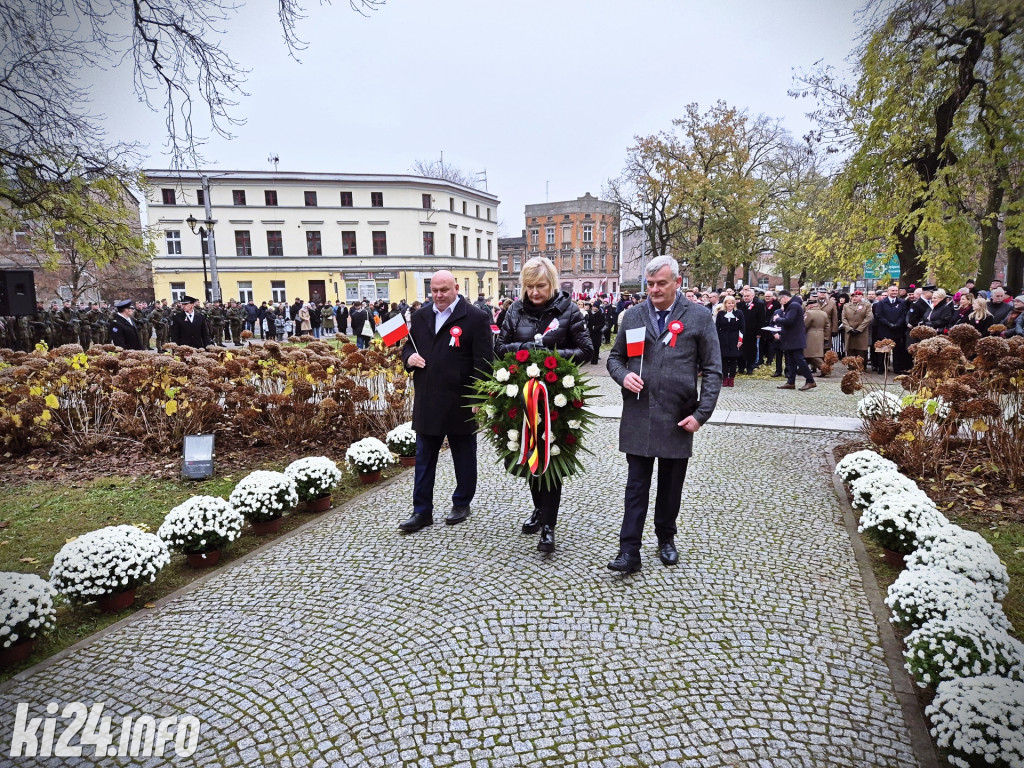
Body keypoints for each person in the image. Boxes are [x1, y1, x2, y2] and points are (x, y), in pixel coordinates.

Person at [606, 255, 722, 573]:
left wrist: (702, 413)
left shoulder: (698, 317)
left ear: (677, 283)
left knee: (671, 487)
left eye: (661, 283)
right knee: (636, 487)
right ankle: (629, 551)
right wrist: (622, 375)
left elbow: (713, 369)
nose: (655, 290)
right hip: (639, 413)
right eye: (651, 284)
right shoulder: (632, 316)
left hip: (677, 417)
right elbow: (614, 358)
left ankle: (666, 538)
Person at [495, 256, 591, 553]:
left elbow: (587, 350)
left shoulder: (568, 310)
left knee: (551, 460)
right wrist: (526, 350)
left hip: (556, 398)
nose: (535, 293)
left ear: (552, 283)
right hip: (520, 395)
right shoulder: (514, 309)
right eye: (530, 287)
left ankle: (549, 525)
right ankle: (539, 510)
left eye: (541, 286)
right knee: (528, 454)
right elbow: (498, 347)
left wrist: (553, 353)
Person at [398, 271, 495, 533]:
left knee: (463, 456)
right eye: (434, 291)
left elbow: (485, 361)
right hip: (428, 398)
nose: (439, 296)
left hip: (461, 400)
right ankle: (421, 511)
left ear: (455, 288)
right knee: (424, 458)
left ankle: (462, 502)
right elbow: (408, 347)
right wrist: (409, 359)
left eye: (444, 290)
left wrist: (478, 395)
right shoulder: (420, 316)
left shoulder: (475, 317)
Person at [773, 290, 816, 391]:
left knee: (799, 360)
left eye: (780, 300)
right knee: (791, 361)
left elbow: (789, 321)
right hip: (790, 339)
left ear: (784, 297)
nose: (780, 302)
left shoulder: (794, 305)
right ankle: (790, 382)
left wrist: (777, 319)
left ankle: (810, 380)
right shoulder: (791, 305)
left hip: (795, 339)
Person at [715, 295, 744, 387]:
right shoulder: (720, 314)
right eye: (729, 303)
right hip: (723, 339)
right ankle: (725, 378)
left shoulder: (739, 313)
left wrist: (740, 340)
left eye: (732, 303)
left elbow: (742, 328)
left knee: (733, 360)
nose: (731, 304)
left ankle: (731, 378)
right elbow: (717, 327)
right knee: (724, 360)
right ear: (725, 304)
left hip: (735, 338)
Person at [841, 290, 872, 366]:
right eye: (853, 296)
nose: (854, 298)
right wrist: (848, 328)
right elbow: (843, 318)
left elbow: (868, 317)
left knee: (861, 350)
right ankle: (851, 366)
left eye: (856, 296)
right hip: (850, 331)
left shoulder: (867, 305)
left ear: (861, 297)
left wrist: (859, 329)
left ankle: (861, 367)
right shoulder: (846, 306)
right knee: (850, 349)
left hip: (862, 332)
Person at [802, 297, 830, 375]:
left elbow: (805, 325)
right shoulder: (823, 313)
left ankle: (825, 369)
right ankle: (802, 369)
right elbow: (827, 326)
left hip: (811, 335)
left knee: (812, 354)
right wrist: (826, 337)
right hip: (821, 334)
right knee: (814, 353)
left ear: (810, 306)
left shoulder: (809, 313)